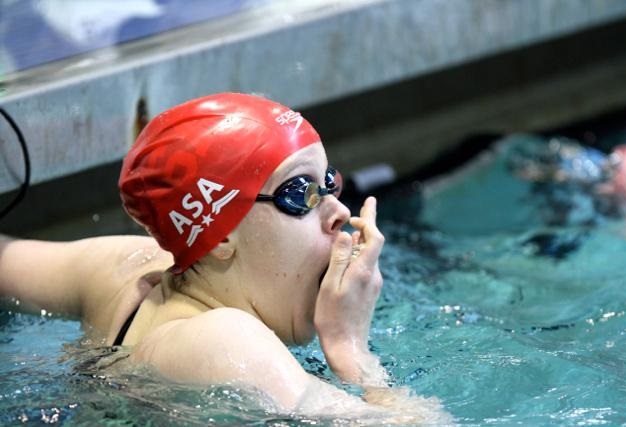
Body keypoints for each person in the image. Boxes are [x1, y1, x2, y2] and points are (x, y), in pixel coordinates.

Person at [0, 93, 452, 424]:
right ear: (218, 236)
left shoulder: (124, 270)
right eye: (300, 193)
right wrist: (350, 349)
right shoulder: (228, 341)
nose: (338, 211)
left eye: (329, 182)